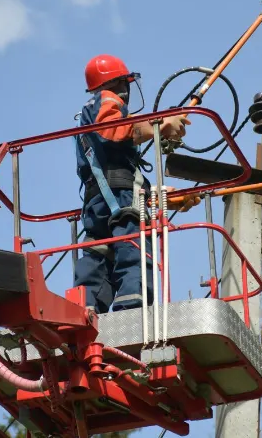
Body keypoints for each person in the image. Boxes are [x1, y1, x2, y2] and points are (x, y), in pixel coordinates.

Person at [73, 54, 197, 314]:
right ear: (120, 83)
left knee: (98, 250)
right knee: (133, 243)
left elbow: (111, 165)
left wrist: (164, 196)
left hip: (97, 201)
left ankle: (85, 309)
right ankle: (132, 304)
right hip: (119, 197)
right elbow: (114, 130)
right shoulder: (108, 100)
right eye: (125, 83)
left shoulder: (86, 113)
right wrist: (159, 125)